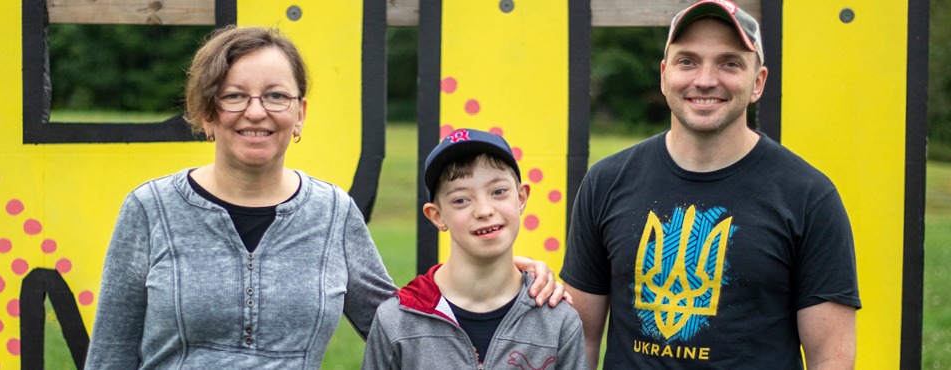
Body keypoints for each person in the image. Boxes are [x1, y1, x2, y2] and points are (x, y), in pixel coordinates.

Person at [85, 27, 568, 369]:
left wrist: (506, 272)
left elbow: (397, 316)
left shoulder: (331, 212)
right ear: (207, 112)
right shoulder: (150, 209)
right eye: (234, 96)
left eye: (276, 96)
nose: (256, 111)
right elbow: (110, 354)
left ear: (299, 114)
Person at [560, 1, 860, 369]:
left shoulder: (809, 197)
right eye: (687, 61)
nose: (705, 79)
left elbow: (831, 358)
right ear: (664, 74)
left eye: (729, 63)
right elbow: (581, 342)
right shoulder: (606, 182)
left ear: (758, 83)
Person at [362, 129, 586, 369]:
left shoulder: (557, 319)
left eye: (498, 192)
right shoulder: (397, 320)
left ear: (521, 198)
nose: (484, 210)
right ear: (437, 216)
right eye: (461, 200)